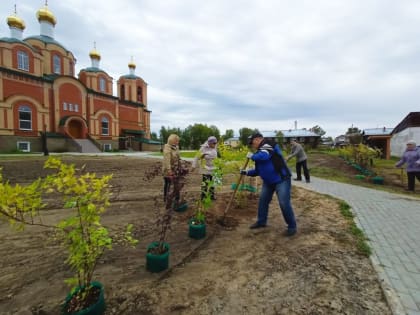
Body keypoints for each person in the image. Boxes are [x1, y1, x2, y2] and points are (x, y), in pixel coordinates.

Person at [241, 133, 297, 236]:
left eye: (252, 143)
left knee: (284, 203)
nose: (252, 145)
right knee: (263, 201)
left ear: (258, 139)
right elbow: (258, 171)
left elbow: (265, 156)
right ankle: (261, 222)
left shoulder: (269, 144)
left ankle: (292, 226)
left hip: (281, 180)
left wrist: (253, 156)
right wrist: (246, 172)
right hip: (268, 182)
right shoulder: (259, 151)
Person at [192, 136, 218, 200]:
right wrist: (193, 166)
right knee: (205, 183)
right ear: (209, 143)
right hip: (206, 168)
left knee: (213, 183)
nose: (215, 145)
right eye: (213, 143)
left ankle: (211, 196)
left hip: (213, 168)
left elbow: (216, 157)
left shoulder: (215, 147)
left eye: (216, 143)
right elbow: (196, 157)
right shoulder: (203, 148)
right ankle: (203, 197)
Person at [162, 134, 181, 202]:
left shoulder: (176, 147)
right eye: (176, 141)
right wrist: (169, 171)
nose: (177, 142)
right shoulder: (167, 148)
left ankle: (177, 199)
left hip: (175, 169)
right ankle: (166, 198)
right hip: (168, 169)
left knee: (176, 184)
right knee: (168, 184)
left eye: (178, 141)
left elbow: (178, 157)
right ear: (172, 141)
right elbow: (167, 161)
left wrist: (180, 165)